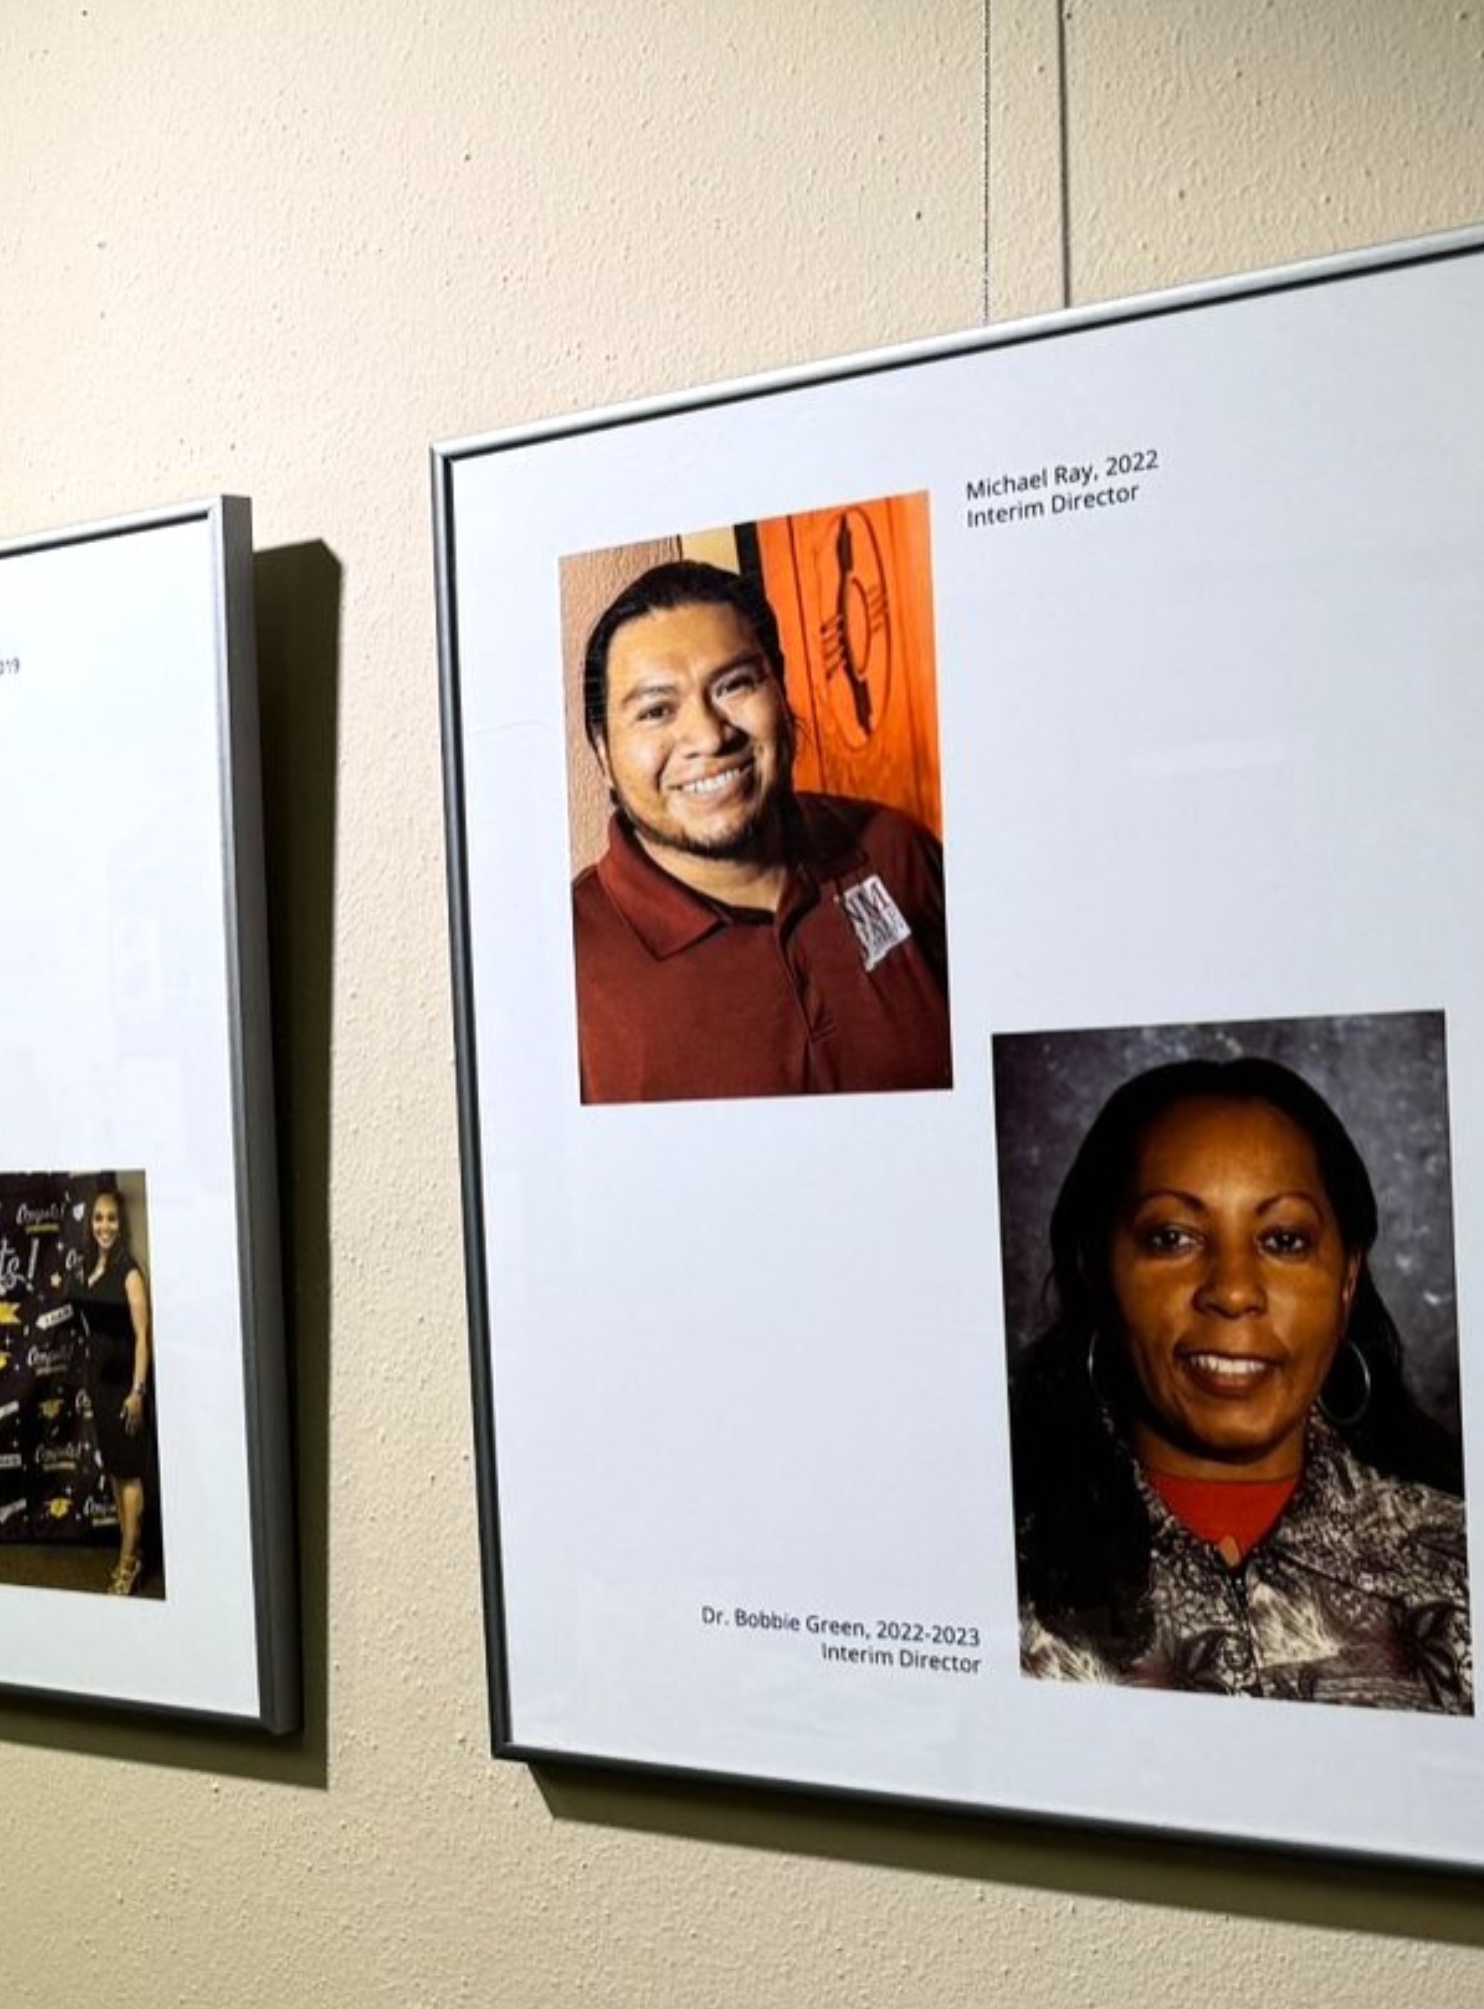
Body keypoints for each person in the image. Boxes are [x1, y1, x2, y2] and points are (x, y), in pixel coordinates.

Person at [1006, 1054, 1470, 1710]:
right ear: (1097, 1272)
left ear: (1346, 1279)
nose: (1232, 1292)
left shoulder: (1458, 1564)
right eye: (1172, 1237)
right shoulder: (988, 1564)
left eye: (1283, 1241)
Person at [568, 561, 950, 1104]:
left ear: (781, 689)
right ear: (604, 755)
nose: (708, 734)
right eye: (656, 710)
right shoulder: (563, 970)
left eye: (735, 684)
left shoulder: (894, 848)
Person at [62, 1186, 158, 1596]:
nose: (105, 1225)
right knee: (117, 1473)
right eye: (99, 1218)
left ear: (121, 1225)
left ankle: (126, 1564)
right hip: (99, 1384)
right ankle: (131, 1553)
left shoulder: (129, 1273)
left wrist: (137, 1392)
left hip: (124, 1387)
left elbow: (142, 1337)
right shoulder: (90, 1267)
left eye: (112, 1219)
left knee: (131, 1473)